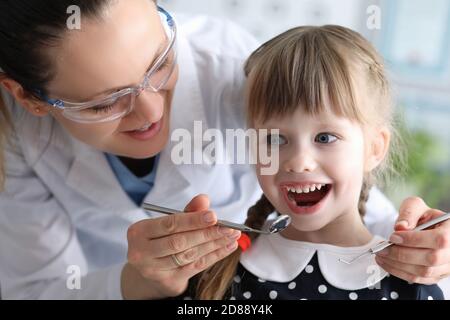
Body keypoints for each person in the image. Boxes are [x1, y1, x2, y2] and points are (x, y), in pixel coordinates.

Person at [0, 0, 449, 300]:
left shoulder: (237, 69)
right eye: (104, 102)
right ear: (28, 98)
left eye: (160, 62)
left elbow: (343, 179)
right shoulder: (18, 136)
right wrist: (135, 283)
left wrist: (423, 243)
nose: (152, 111)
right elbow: (35, 289)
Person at [179, 25, 444, 300]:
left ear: (374, 148)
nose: (299, 162)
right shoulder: (217, 275)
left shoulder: (411, 285)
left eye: (326, 137)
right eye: (275, 139)